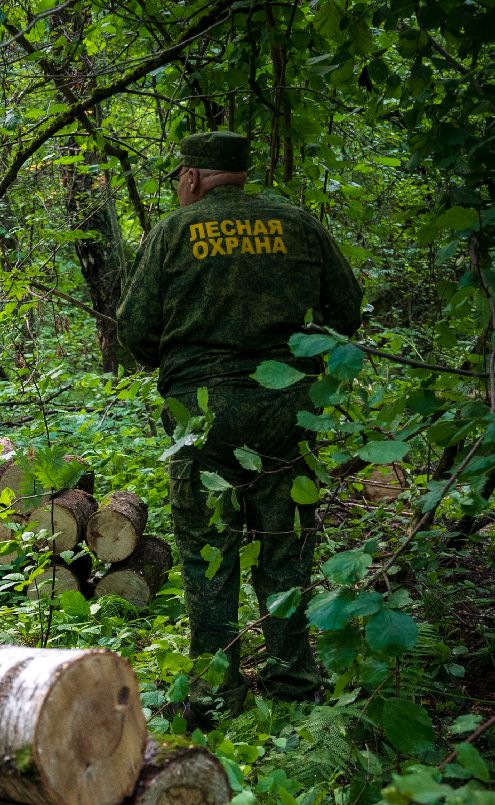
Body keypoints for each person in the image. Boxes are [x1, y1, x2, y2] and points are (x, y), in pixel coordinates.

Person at [116, 130, 363, 728]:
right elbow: (347, 307)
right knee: (286, 541)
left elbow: (134, 329)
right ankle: (293, 681)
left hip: (204, 412)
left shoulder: (173, 233)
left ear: (194, 178)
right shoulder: (298, 224)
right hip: (288, 405)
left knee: (208, 551)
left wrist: (184, 365)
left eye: (180, 177)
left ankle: (214, 691)